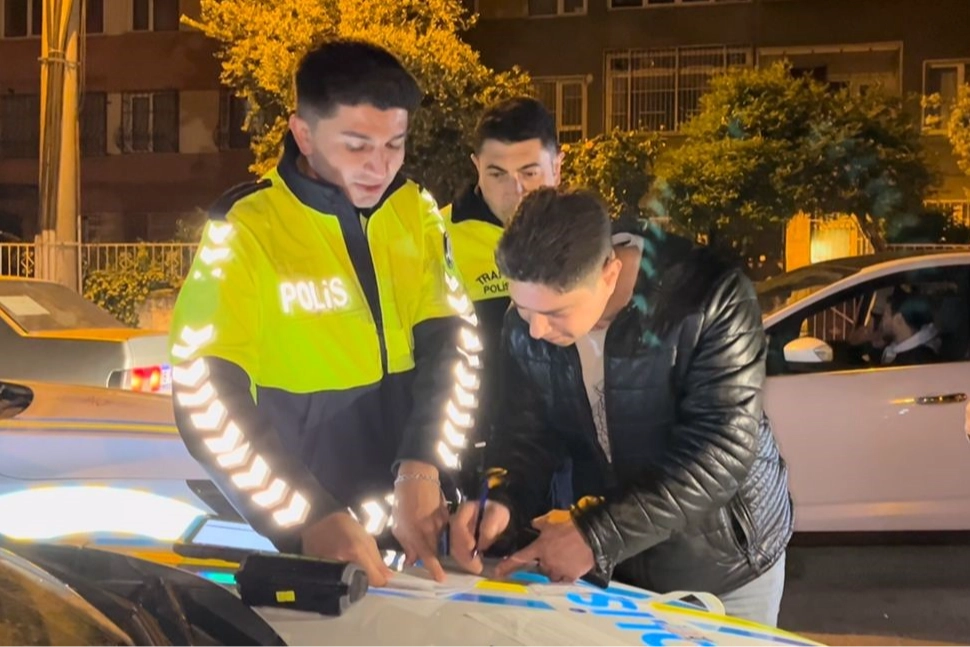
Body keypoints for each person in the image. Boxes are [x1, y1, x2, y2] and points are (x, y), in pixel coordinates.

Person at [168, 40, 482, 587]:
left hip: (423, 530)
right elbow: (204, 396)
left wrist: (425, 463)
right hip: (320, 553)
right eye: (357, 145)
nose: (380, 166)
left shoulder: (415, 211)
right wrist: (307, 517)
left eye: (395, 144)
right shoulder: (245, 230)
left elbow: (455, 348)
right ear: (304, 134)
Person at [449, 187, 794, 626]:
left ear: (609, 274)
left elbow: (721, 450)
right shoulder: (527, 324)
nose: (535, 330)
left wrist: (596, 533)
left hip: (723, 565)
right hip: (611, 572)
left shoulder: (710, 296)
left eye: (555, 313)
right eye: (521, 307)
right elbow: (523, 434)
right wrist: (501, 498)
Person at [441, 97, 562, 489]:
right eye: (497, 174)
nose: (516, 189)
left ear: (557, 167)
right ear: (476, 167)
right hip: (481, 460)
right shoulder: (436, 239)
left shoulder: (581, 237)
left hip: (574, 451)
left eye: (530, 172)